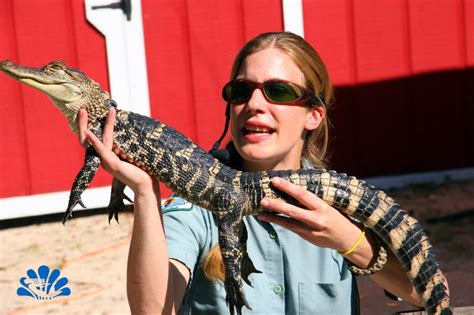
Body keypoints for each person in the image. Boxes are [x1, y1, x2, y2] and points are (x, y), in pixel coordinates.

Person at [79, 32, 426, 314]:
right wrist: (143, 192)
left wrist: (349, 242)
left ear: (313, 115)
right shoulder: (196, 206)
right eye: (241, 91)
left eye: (278, 91)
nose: (254, 105)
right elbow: (151, 312)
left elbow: (426, 295)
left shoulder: (339, 202)